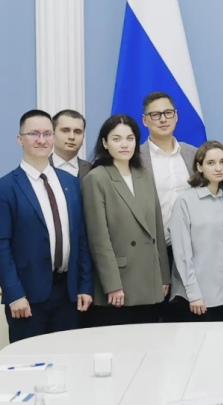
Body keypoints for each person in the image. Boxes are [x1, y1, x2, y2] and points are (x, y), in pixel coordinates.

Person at [0, 110, 93, 343]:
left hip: (68, 294)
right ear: (20, 139)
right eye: (34, 134)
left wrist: (85, 285)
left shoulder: (71, 183)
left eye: (47, 134)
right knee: (29, 360)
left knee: (68, 358)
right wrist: (14, 294)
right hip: (27, 297)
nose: (41, 140)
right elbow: (2, 246)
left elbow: (81, 237)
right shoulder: (6, 187)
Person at [82, 115, 170, 326]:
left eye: (130, 138)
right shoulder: (96, 178)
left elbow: (157, 229)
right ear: (105, 143)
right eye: (117, 139)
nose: (124, 144)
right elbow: (98, 239)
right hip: (119, 282)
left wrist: (163, 276)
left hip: (149, 277)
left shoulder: (144, 174)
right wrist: (112, 284)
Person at [169, 141, 223, 322]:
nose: (218, 168)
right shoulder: (185, 201)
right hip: (197, 298)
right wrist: (193, 293)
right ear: (199, 167)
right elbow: (182, 254)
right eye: (211, 163)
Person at [139, 91, 197, 322]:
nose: (163, 119)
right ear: (145, 120)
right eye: (155, 115)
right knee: (157, 323)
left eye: (168, 113)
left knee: (191, 320)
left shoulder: (193, 154)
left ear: (176, 116)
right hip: (153, 252)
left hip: (192, 251)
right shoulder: (135, 158)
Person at [49, 109, 91, 181]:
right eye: (65, 131)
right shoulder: (38, 168)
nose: (72, 137)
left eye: (77, 132)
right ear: (52, 134)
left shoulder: (93, 170)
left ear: (83, 137)